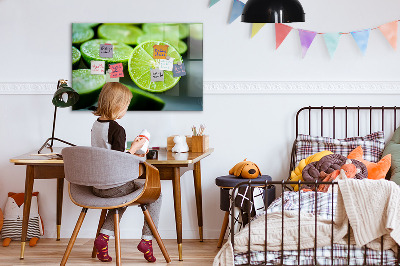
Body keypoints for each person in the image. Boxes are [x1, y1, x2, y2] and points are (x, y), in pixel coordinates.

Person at [91, 82, 161, 263]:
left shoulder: (96, 125)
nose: (126, 109)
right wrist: (136, 148)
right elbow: (119, 161)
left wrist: (130, 150)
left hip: (97, 186)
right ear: (118, 105)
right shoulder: (117, 129)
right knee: (156, 194)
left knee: (121, 197)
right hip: (114, 186)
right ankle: (147, 240)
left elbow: (108, 154)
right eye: (126, 106)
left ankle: (103, 238)